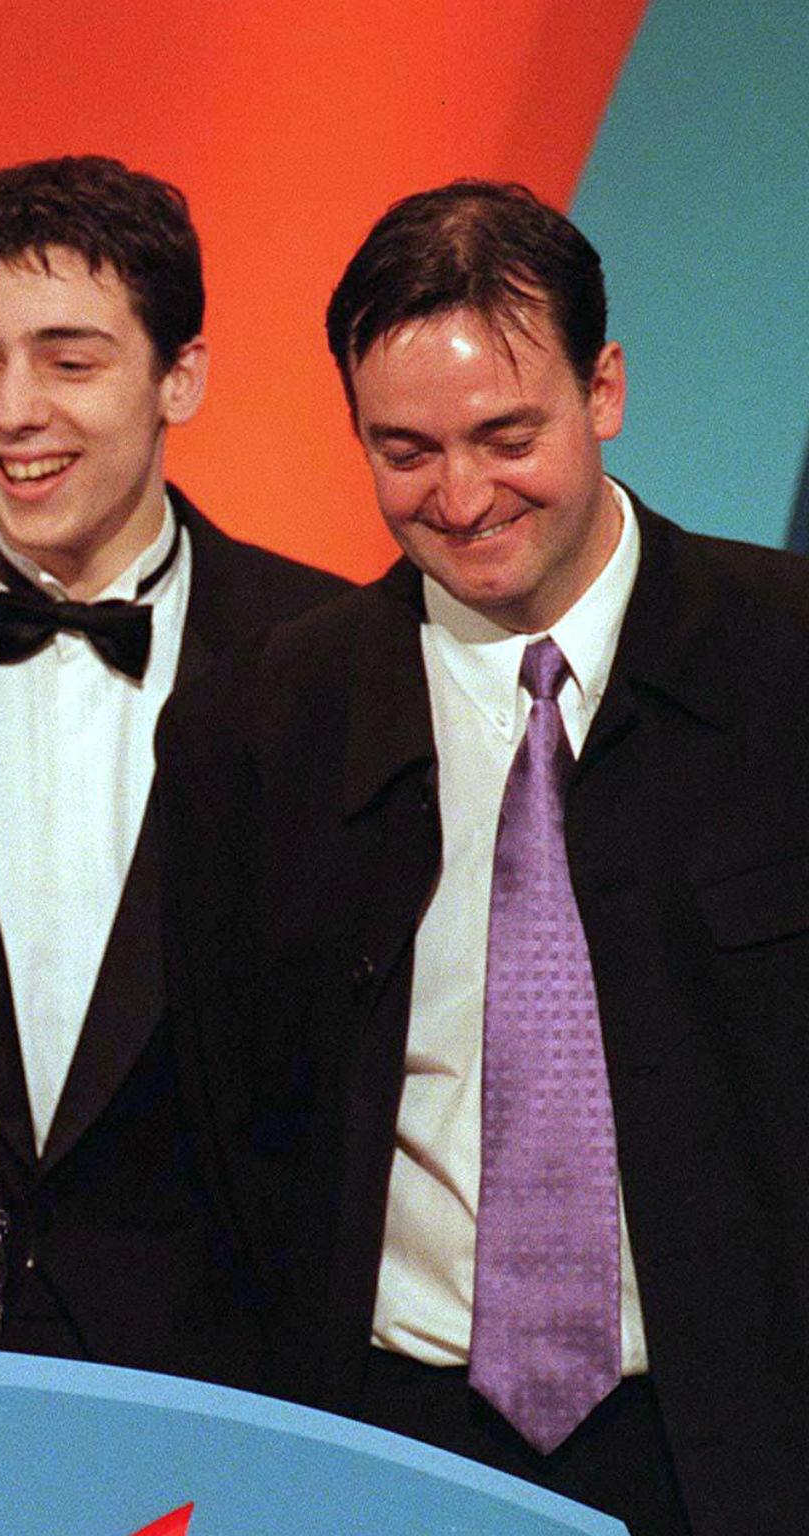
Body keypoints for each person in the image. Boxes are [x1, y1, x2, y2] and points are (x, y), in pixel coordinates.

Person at [158, 181, 809, 1534]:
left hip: (749, 1448)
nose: (461, 499)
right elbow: (232, 1137)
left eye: (507, 437)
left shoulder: (788, 659)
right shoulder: (263, 724)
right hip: (389, 1441)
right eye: (405, 451)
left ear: (606, 389)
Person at [0, 156, 344, 1370]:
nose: (11, 411)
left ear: (180, 376)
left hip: (212, 1365)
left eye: (68, 361)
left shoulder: (330, 657)